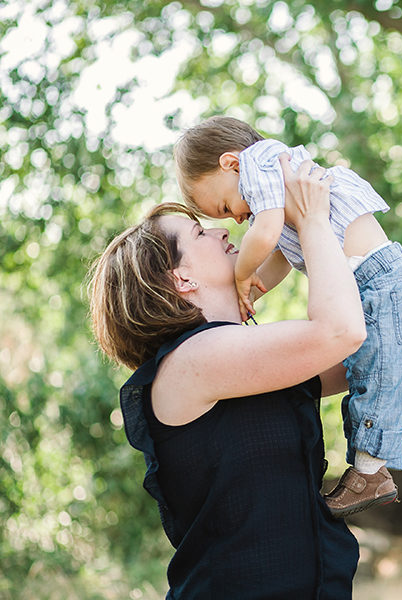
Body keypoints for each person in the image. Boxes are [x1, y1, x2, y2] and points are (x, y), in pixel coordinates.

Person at [89, 158, 362, 598]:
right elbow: (341, 332)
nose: (221, 231)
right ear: (180, 278)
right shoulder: (189, 363)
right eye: (200, 233)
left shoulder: (243, 360)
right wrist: (309, 220)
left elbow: (364, 354)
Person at [173, 116, 402, 517]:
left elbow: (268, 234)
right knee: (371, 371)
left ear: (230, 163)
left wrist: (240, 274)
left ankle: (370, 472)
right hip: (370, 282)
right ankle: (369, 471)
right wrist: (252, 287)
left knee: (379, 377)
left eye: (225, 207)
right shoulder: (270, 189)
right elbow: (282, 258)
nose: (236, 220)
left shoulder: (261, 163)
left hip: (378, 280)